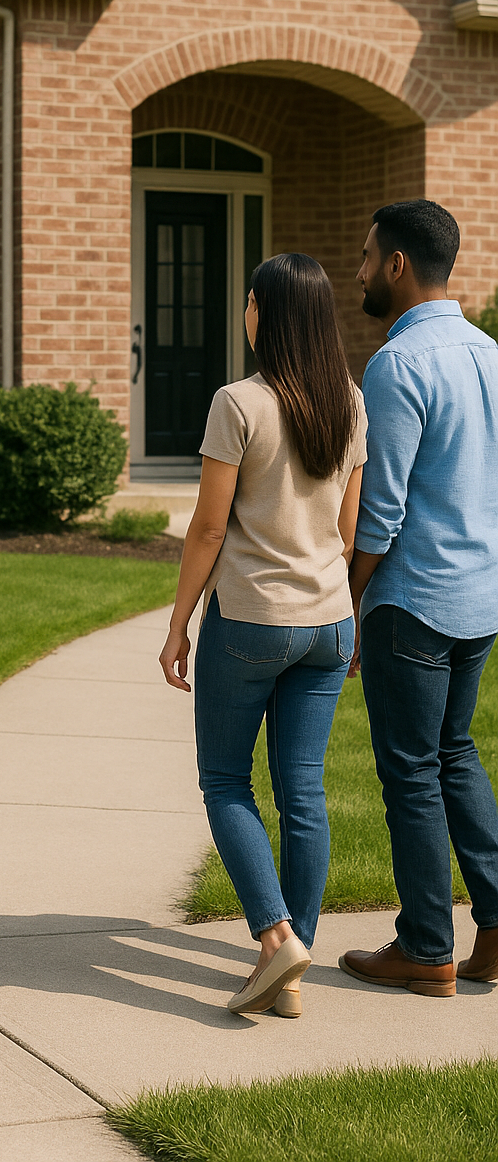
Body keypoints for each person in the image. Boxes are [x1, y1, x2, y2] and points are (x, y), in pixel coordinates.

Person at [160, 253, 366, 1018]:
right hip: (328, 622)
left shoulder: (237, 402)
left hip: (250, 621)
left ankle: (277, 938)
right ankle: (292, 965)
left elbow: (209, 526)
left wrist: (180, 622)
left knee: (224, 780)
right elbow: (348, 531)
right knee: (302, 792)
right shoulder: (349, 400)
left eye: (250, 301)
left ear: (263, 313)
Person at [341, 199, 498, 997]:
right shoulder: (491, 354)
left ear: (398, 264)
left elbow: (381, 512)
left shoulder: (397, 365)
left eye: (367, 258)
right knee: (455, 752)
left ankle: (427, 949)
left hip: (415, 603)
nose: (360, 273)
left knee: (410, 772)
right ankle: (497, 931)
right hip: (482, 598)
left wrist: (346, 599)